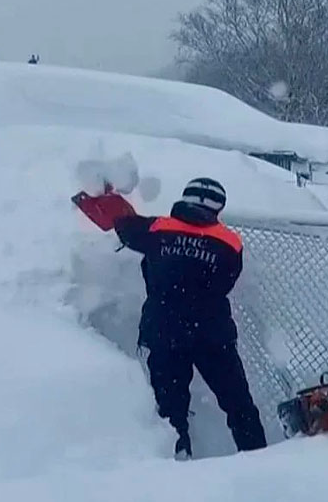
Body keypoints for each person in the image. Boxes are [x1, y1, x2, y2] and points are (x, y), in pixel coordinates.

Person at [114, 177, 267, 460]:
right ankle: (259, 460)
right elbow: (226, 281)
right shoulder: (230, 243)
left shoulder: (156, 228)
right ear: (217, 208)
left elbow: (122, 225)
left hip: (163, 330)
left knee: (171, 410)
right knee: (238, 404)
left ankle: (177, 468)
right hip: (212, 334)